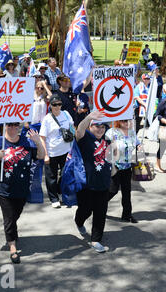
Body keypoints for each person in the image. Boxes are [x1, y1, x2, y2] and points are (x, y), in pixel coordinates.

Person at [0, 124, 45, 264]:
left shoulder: (27, 142)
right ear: (5, 126)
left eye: (15, 125)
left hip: (22, 188)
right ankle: (12, 246)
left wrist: (38, 141)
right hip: (3, 189)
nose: (13, 128)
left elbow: (40, 156)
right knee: (9, 217)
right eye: (10, 125)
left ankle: (11, 231)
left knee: (15, 214)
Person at [75, 111, 112, 253]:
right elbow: (79, 130)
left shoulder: (108, 140)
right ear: (90, 127)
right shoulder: (85, 138)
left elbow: (112, 158)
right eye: (97, 126)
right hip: (87, 184)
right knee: (85, 210)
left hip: (103, 182)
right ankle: (78, 221)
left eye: (103, 127)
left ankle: (96, 239)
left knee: (100, 212)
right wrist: (89, 117)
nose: (100, 129)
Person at [39, 94, 74, 208]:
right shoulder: (47, 119)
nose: (57, 107)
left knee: (65, 174)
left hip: (66, 150)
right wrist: (46, 155)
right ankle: (54, 198)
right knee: (51, 177)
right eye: (54, 105)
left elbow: (72, 128)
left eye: (59, 104)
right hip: (52, 152)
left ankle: (61, 192)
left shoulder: (66, 114)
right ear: (50, 105)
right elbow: (42, 138)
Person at [106, 119, 141, 223]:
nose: (127, 123)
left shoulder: (131, 132)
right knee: (113, 190)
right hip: (114, 165)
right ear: (118, 121)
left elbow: (137, 143)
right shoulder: (112, 132)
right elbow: (104, 146)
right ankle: (97, 205)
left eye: (129, 121)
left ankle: (127, 215)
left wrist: (139, 146)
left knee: (126, 192)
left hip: (127, 166)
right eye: (124, 121)